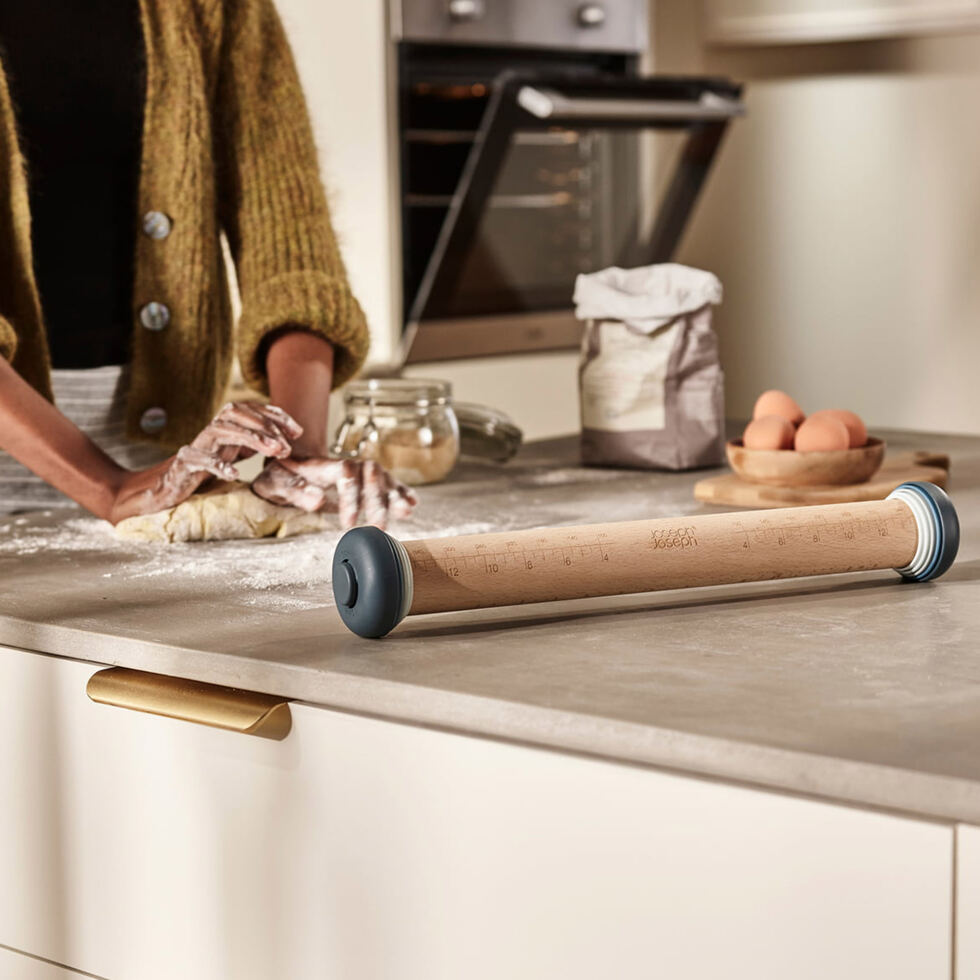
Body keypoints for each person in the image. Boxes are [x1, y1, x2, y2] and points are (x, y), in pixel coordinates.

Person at [0, 0, 415, 529]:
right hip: (100, 474)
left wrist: (295, 452)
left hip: (170, 466)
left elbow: (292, 252)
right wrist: (109, 487)